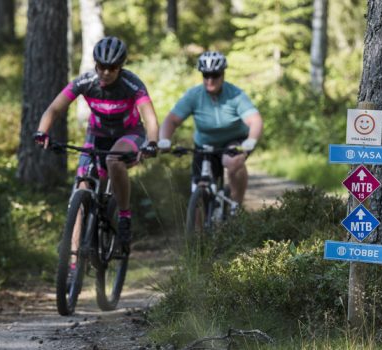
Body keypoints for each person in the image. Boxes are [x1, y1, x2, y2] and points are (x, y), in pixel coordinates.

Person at [34, 36, 159, 256]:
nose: (106, 73)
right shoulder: (86, 81)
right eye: (102, 67)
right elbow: (54, 109)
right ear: (96, 64)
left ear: (120, 67)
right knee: (81, 188)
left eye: (112, 68)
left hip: (129, 134)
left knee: (113, 159)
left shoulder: (132, 84)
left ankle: (124, 217)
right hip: (97, 134)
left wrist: (152, 143)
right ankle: (72, 258)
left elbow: (149, 118)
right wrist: (42, 132)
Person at [158, 51, 263, 211]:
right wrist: (164, 139)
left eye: (215, 75)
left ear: (223, 74)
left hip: (233, 141)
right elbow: (172, 120)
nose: (210, 80)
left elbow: (254, 120)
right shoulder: (194, 95)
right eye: (206, 75)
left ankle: (236, 207)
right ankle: (199, 234)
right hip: (204, 144)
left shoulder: (235, 95)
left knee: (232, 162)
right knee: (198, 191)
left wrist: (251, 141)